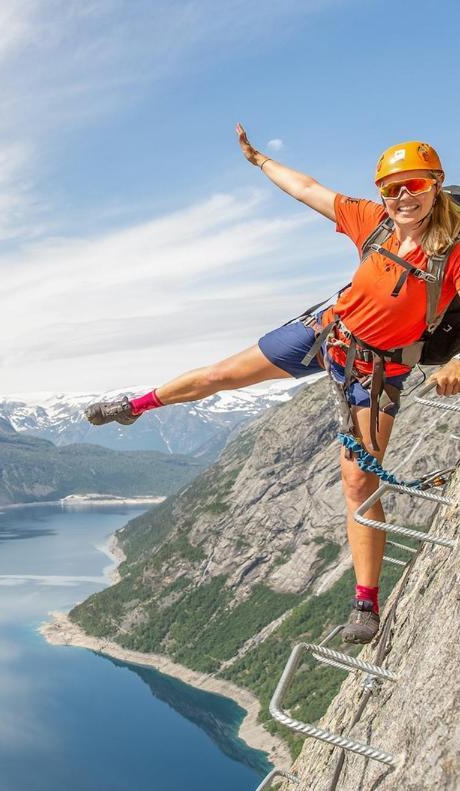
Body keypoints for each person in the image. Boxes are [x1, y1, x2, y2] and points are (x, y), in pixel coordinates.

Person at [86, 126, 460, 644]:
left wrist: (455, 362)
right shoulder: (372, 222)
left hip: (379, 371)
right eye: (391, 188)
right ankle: (136, 404)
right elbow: (308, 190)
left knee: (357, 482)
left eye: (413, 185)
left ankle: (365, 604)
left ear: (436, 184)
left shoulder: (456, 246)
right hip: (326, 334)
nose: (402, 197)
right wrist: (260, 161)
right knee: (222, 374)